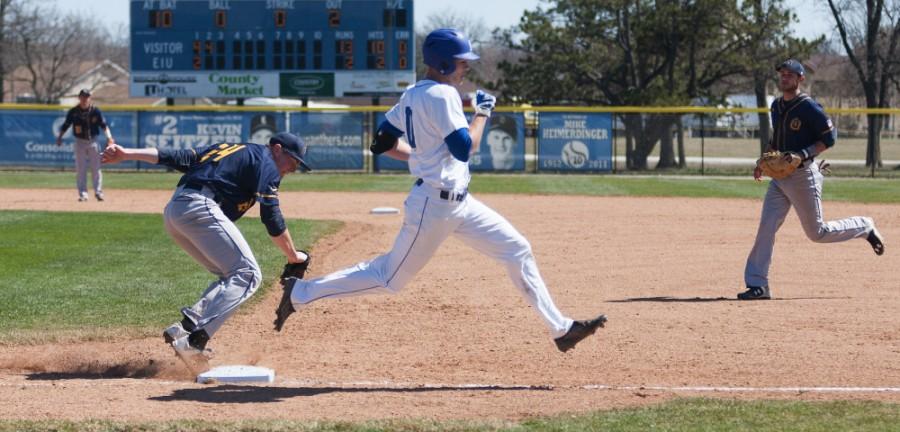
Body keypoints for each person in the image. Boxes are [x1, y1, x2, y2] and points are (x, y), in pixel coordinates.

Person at [273, 29, 606, 353]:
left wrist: (420, 156)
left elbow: (381, 142)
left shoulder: (415, 92)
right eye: (462, 62)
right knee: (390, 278)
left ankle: (561, 329)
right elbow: (465, 148)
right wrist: (483, 113)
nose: (467, 68)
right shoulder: (442, 94)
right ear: (445, 64)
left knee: (517, 249)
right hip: (433, 206)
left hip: (459, 204)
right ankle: (300, 293)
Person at [101, 132, 311, 370]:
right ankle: (193, 342)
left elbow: (175, 157)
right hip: (200, 207)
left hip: (176, 212)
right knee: (248, 274)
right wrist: (294, 257)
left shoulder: (229, 150)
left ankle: (187, 325)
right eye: (292, 160)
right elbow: (271, 216)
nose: (293, 168)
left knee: (231, 275)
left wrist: (127, 154)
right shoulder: (267, 162)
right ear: (277, 148)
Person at [740, 59, 885, 300]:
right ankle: (758, 284)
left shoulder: (809, 107)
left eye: (789, 74)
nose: (784, 77)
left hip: (803, 175)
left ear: (800, 79)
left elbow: (830, 138)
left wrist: (803, 154)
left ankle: (864, 226)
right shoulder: (776, 106)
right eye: (782, 74)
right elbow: (777, 140)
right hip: (780, 179)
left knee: (817, 232)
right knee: (766, 226)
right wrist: (762, 162)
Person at [56, 89, 114, 201]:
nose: (85, 99)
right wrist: (60, 137)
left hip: (93, 141)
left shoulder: (95, 111)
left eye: (87, 96)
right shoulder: (73, 112)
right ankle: (83, 194)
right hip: (79, 142)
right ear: (79, 98)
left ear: (90, 98)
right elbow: (66, 125)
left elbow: (104, 125)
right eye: (83, 96)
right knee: (81, 169)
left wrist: (109, 137)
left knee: (96, 168)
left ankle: (98, 192)